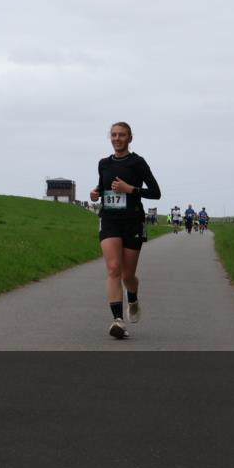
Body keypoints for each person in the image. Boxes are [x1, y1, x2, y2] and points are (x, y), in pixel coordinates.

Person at [88, 122, 161, 339]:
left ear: (130, 138)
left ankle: (134, 298)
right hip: (109, 219)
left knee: (128, 275)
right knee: (113, 268)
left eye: (122, 135)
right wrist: (95, 193)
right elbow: (103, 187)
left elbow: (156, 193)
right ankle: (118, 320)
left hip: (133, 221)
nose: (117, 138)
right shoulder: (103, 163)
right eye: (114, 135)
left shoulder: (137, 162)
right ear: (110, 138)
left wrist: (131, 190)